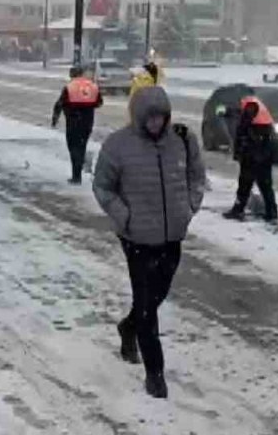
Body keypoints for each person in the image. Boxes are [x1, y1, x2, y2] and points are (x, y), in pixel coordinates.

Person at [92, 86, 206, 399]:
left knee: (157, 295)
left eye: (161, 117)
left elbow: (197, 176)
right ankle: (155, 373)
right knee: (146, 304)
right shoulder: (118, 145)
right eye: (150, 118)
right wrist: (124, 216)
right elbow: (102, 187)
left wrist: (189, 206)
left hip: (172, 236)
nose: (156, 123)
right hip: (137, 238)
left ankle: (129, 327)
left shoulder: (182, 140)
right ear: (139, 117)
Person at [223, 95, 278, 222]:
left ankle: (238, 210)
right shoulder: (259, 109)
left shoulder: (250, 109)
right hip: (264, 154)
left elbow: (244, 127)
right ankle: (271, 212)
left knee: (245, 185)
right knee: (265, 185)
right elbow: (239, 113)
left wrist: (241, 151)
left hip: (253, 155)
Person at [52, 65, 103, 184]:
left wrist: (55, 119)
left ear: (71, 75)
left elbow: (59, 104)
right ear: (82, 74)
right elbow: (99, 102)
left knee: (73, 148)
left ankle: (76, 176)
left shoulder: (70, 87)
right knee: (82, 146)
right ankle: (78, 173)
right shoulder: (92, 86)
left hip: (73, 122)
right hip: (87, 122)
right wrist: (87, 106)